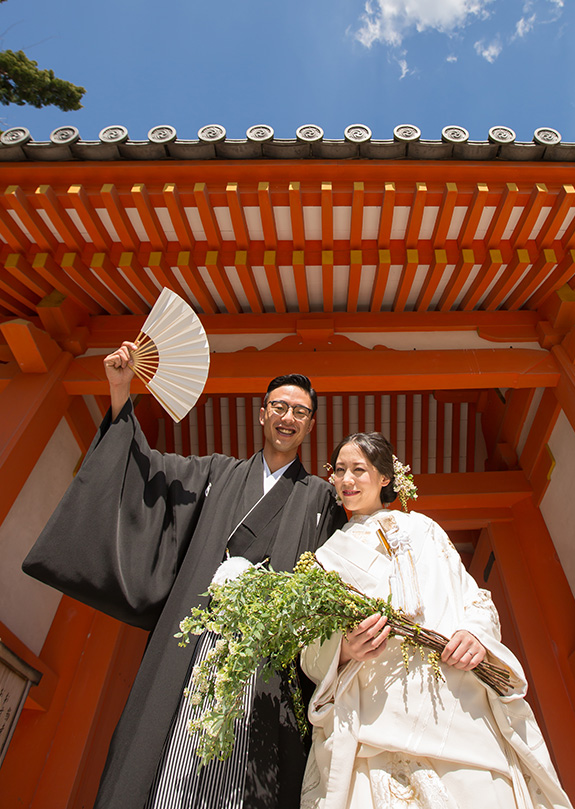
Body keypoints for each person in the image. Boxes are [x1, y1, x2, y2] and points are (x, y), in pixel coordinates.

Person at [23, 342, 345, 809]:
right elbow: (145, 471)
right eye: (279, 406)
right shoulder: (216, 472)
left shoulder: (320, 498)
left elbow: (349, 563)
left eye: (300, 411)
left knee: (253, 767)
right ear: (262, 414)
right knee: (170, 761)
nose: (288, 417)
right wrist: (119, 389)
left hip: (268, 658)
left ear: (310, 425)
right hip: (198, 640)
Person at [299, 432, 573, 809]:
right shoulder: (326, 558)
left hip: (453, 699)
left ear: (384, 477)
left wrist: (474, 635)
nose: (347, 480)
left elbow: (472, 597)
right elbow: (311, 648)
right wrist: (343, 649)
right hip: (377, 713)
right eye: (340, 471)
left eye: (359, 470)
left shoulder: (424, 529)